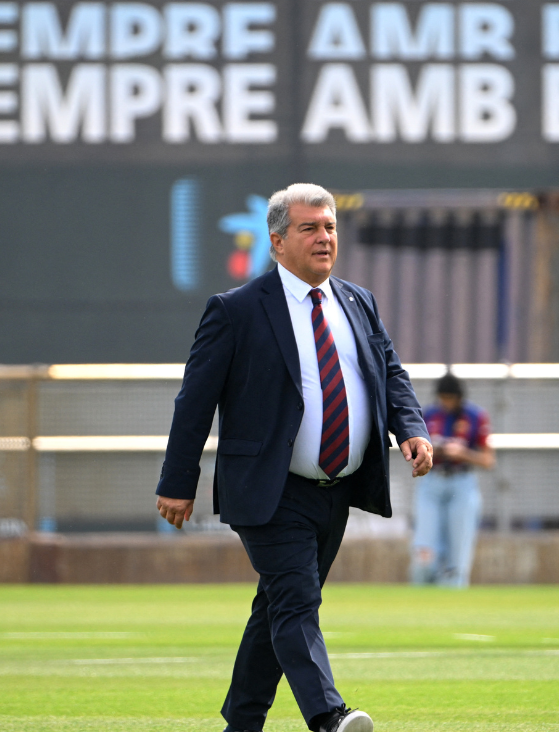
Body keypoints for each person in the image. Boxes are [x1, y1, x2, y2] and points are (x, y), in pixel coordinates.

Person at [155, 183, 433, 732]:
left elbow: (388, 372)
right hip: (268, 488)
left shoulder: (358, 301)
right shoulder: (235, 311)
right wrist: (177, 480)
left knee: (278, 609)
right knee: (298, 601)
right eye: (310, 228)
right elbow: (195, 401)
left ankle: (242, 721)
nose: (324, 238)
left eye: (329, 227)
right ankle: (329, 717)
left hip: (337, 490)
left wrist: (411, 427)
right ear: (278, 242)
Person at [410, 372, 494, 588]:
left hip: (462, 483)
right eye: (442, 398)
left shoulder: (475, 416)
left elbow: (488, 460)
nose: (446, 403)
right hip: (432, 483)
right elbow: (412, 450)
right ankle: (419, 602)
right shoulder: (428, 415)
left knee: (458, 555)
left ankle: (453, 605)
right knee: (425, 552)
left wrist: (462, 453)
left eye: (450, 398)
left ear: (459, 398)